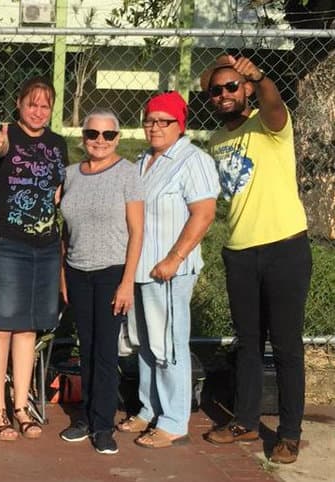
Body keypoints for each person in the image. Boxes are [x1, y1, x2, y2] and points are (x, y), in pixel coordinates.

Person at [201, 55, 312, 464]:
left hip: (285, 246)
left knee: (286, 347)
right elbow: (205, 78)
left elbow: (275, 104)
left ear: (247, 90)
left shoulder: (269, 125)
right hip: (240, 251)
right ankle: (245, 420)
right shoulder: (216, 139)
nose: (225, 94)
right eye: (217, 90)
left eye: (233, 87)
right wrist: (221, 64)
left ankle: (289, 433)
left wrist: (257, 76)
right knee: (248, 342)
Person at [117, 91, 219, 449]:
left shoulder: (193, 159)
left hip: (169, 270)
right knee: (145, 344)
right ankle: (149, 409)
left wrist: (174, 258)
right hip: (142, 270)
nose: (155, 127)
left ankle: (174, 421)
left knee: (169, 344)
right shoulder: (144, 160)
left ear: (181, 124)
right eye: (149, 120)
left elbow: (204, 213)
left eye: (164, 121)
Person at [0, 77, 68, 442]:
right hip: (5, 242)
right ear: (19, 103)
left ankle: (21, 406)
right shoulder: (6, 134)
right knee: (0, 326)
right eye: (32, 103)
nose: (38, 111)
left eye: (45, 105)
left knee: (28, 328)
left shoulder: (58, 144)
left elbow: (59, 191)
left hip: (44, 245)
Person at [58, 109, 144, 454]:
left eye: (108, 135)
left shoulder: (127, 174)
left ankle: (103, 424)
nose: (99, 141)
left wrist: (127, 282)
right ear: (84, 137)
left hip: (111, 271)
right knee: (86, 347)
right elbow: (64, 232)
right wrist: (63, 274)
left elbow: (137, 232)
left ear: (117, 138)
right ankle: (85, 417)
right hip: (77, 271)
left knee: (106, 351)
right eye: (93, 134)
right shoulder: (70, 175)